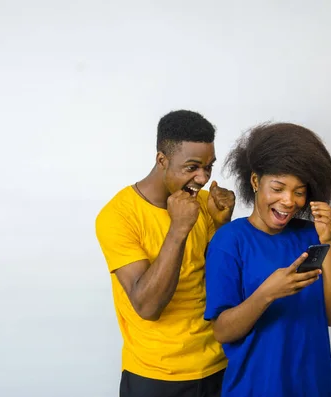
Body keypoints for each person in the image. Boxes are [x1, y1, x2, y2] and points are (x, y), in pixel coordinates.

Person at [203, 122, 331, 396]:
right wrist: (267, 294)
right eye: (279, 187)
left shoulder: (311, 235)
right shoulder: (229, 241)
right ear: (256, 181)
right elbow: (222, 331)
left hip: (314, 385)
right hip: (255, 387)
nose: (288, 201)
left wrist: (327, 241)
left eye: (299, 191)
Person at [95, 110, 236, 397]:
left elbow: (215, 281)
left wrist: (222, 227)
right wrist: (178, 229)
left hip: (217, 366)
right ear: (162, 160)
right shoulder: (118, 215)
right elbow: (147, 307)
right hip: (154, 376)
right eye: (192, 167)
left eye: (209, 166)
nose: (203, 177)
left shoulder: (205, 203)